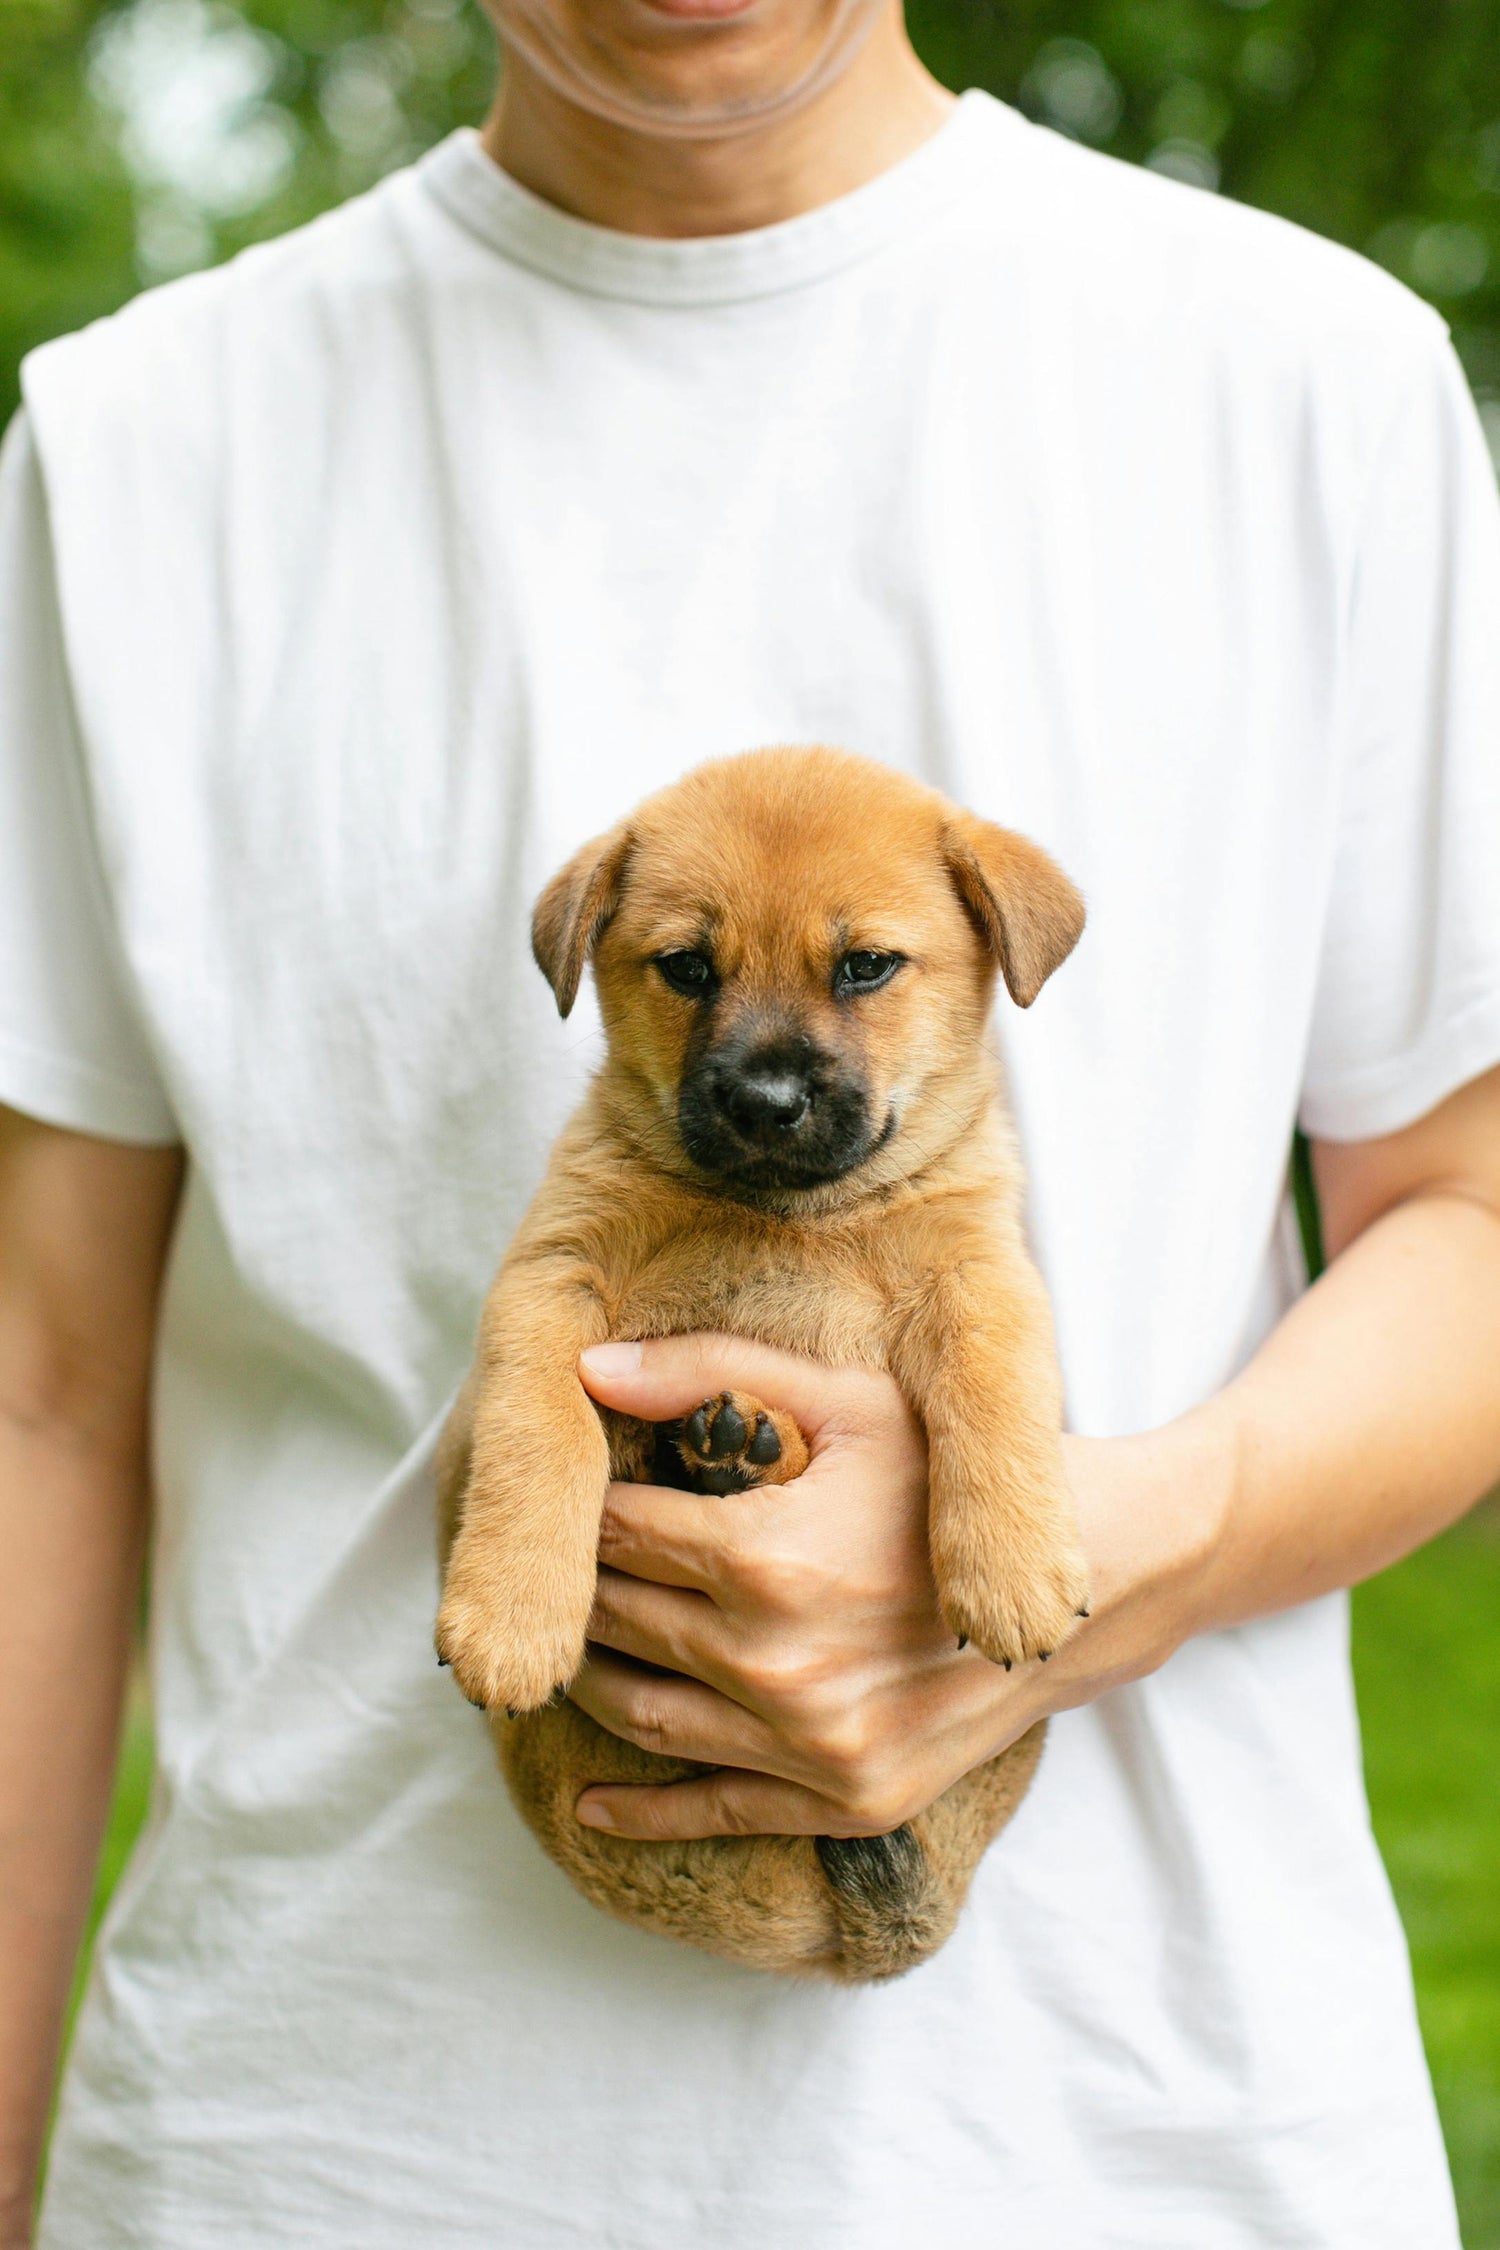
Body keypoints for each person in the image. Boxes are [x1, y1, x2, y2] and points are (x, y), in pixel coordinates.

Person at [2, 0, 1498, 2240]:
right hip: (311, 2146)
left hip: (1135, 2147)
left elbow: (1470, 1207)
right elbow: (40, 1388)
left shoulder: (1310, 381)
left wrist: (1102, 1559)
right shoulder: (130, 446)